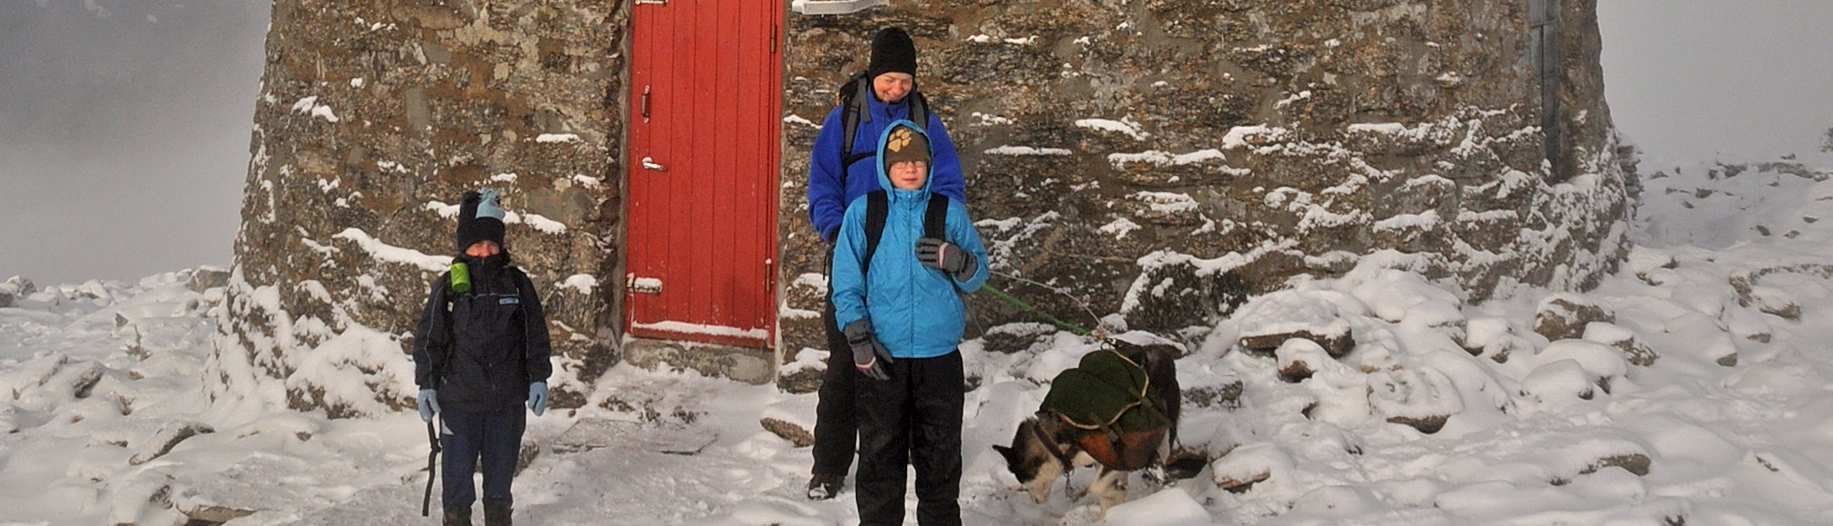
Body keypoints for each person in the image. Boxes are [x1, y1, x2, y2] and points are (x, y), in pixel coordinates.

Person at [806, 25, 968, 501]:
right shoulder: (848, 117)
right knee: (845, 366)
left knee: (908, 369)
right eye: (888, 80)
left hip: (911, 264)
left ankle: (909, 456)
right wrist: (838, 233)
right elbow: (823, 181)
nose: (896, 89)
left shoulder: (925, 120)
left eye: (904, 80)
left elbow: (950, 183)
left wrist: (938, 231)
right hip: (855, 252)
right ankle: (830, 465)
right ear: (873, 75)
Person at [830, 120, 988, 525]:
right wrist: (858, 337)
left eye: (918, 160)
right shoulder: (865, 213)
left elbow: (978, 275)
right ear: (886, 165)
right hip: (883, 358)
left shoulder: (947, 212)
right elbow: (846, 284)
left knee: (940, 460)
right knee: (881, 460)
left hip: (938, 359)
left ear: (930, 163)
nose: (911, 168)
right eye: (901, 162)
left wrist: (960, 261)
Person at [413, 189, 554, 526]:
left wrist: (538, 377)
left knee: (500, 482)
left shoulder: (517, 284)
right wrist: (427, 384)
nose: (485, 251)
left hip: (506, 402)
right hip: (459, 402)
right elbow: (430, 339)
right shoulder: (449, 288)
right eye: (478, 245)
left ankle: (498, 518)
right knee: (457, 480)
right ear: (465, 246)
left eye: (492, 244)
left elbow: (535, 335)